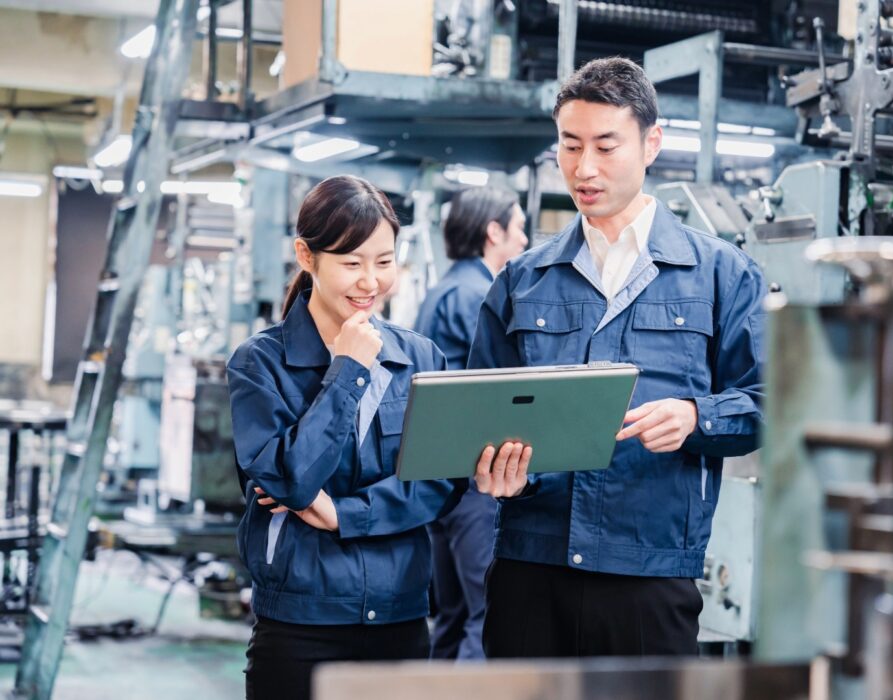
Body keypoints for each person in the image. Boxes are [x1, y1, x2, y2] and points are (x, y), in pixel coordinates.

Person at [467, 57, 767, 658]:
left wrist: (696, 417)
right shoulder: (523, 280)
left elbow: (771, 403)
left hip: (649, 573)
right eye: (570, 145)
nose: (584, 168)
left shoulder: (720, 275)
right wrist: (495, 470)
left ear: (651, 143)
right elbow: (478, 411)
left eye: (606, 146)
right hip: (531, 569)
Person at [227, 175, 465, 699]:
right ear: (306, 257)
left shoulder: (420, 358)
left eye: (384, 262)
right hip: (300, 623)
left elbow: (439, 482)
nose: (370, 282)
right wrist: (348, 371)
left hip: (401, 619)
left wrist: (343, 514)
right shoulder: (260, 364)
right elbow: (292, 481)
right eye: (352, 263)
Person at [413, 187, 527, 660]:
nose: (524, 241)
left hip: (439, 480)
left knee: (452, 615)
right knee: (486, 617)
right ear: (493, 231)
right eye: (519, 228)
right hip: (474, 481)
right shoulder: (479, 295)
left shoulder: (441, 291)